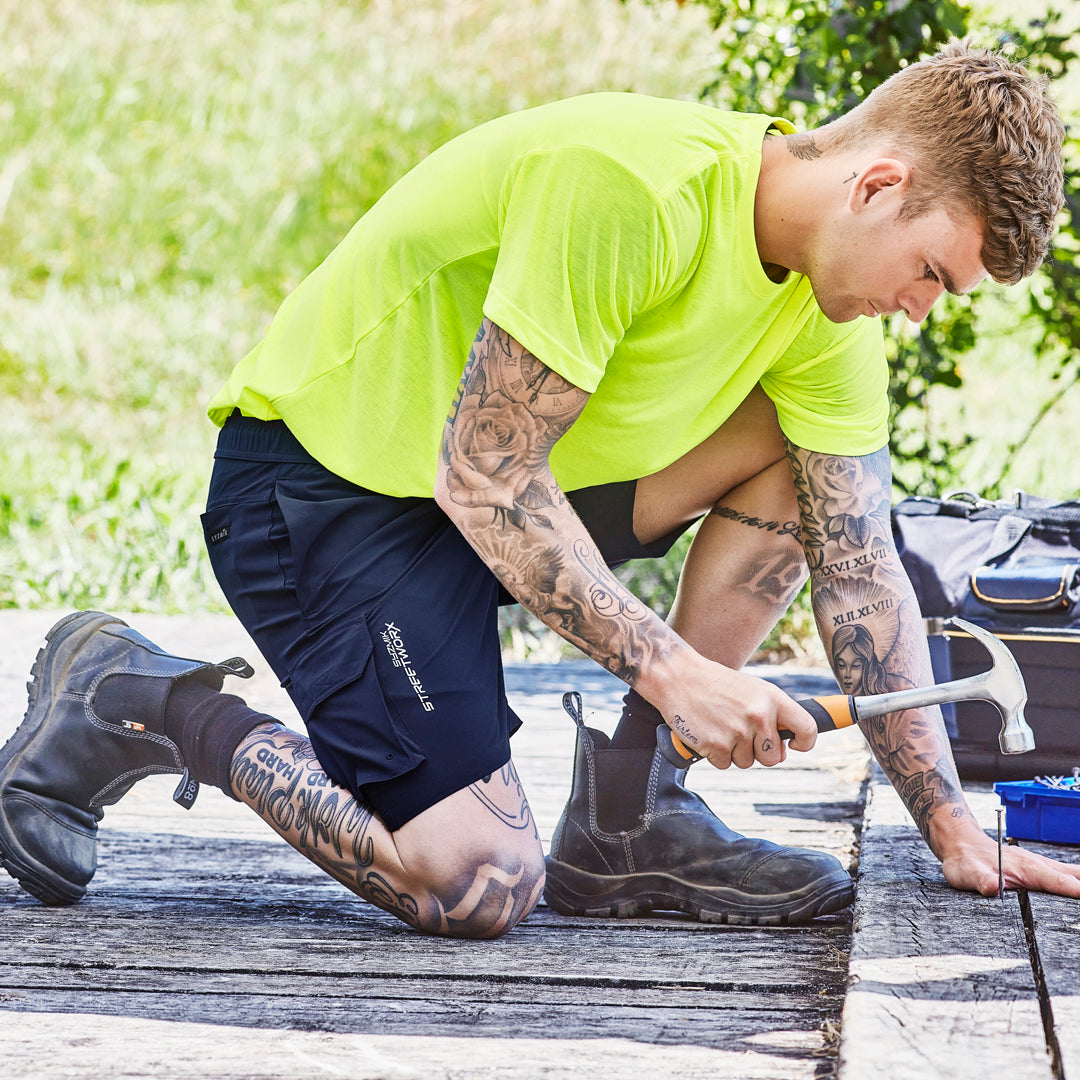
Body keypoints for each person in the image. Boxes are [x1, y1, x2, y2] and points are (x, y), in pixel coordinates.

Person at [3, 41, 1080, 939]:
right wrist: (677, 672)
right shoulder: (632, 185)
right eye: (934, 274)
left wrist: (952, 831)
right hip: (321, 490)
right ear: (880, 185)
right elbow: (485, 475)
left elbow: (859, 567)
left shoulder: (825, 304)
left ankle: (631, 816)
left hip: (497, 497)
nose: (920, 309)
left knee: (805, 463)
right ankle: (145, 701)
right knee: (473, 882)